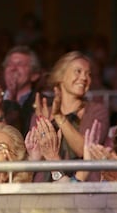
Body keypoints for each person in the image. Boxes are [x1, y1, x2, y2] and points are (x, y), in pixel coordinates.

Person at [27, 51, 109, 181]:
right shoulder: (43, 112)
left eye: (88, 74)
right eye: (78, 71)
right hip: (46, 187)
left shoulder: (96, 111)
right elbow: (36, 155)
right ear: (61, 75)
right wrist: (42, 125)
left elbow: (84, 150)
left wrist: (59, 116)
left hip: (82, 188)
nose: (84, 78)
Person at [1, 45, 41, 135]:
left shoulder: (39, 103)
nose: (13, 68)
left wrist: (12, 97)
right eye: (9, 64)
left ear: (34, 75)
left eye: (20, 65)